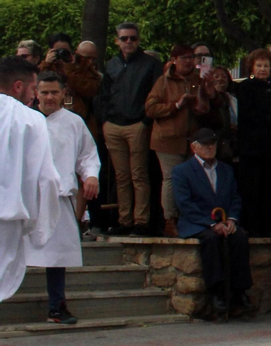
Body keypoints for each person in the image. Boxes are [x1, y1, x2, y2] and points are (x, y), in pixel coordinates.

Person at [31, 72, 99, 323]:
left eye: (54, 92)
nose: (49, 97)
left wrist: (91, 176)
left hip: (58, 197)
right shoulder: (24, 119)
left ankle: (56, 306)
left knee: (57, 255)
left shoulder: (73, 122)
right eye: (44, 92)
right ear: (36, 93)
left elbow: (87, 155)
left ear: (63, 94)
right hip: (27, 198)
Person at [171, 127, 252, 320]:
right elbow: (185, 204)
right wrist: (210, 223)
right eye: (205, 144)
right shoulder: (181, 171)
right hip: (197, 222)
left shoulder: (226, 170)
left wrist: (231, 219)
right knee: (211, 240)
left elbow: (235, 198)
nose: (210, 148)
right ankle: (216, 291)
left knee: (240, 237)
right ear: (194, 147)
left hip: (223, 219)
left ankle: (239, 290)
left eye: (212, 144)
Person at [0, 57, 59, 304]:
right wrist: (40, 229)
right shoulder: (31, 119)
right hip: (8, 218)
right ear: (18, 86)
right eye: (34, 88)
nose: (36, 96)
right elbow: (47, 178)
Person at [95, 22, 162, 236]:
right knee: (121, 176)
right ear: (117, 41)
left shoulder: (151, 64)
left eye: (133, 38)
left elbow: (156, 94)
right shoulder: (112, 64)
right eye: (124, 38)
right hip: (114, 125)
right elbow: (104, 94)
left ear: (139, 40)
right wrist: (105, 120)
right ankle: (124, 220)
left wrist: (145, 121)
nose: (129, 42)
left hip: (137, 124)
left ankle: (141, 221)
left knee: (139, 175)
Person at [144, 44, 211, 237]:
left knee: (193, 179)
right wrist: (176, 105)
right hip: (168, 139)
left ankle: (191, 218)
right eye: (183, 58)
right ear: (174, 60)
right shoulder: (163, 81)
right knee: (171, 179)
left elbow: (207, 107)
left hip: (192, 139)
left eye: (191, 57)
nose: (188, 61)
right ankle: (170, 220)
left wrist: (204, 98)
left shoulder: (198, 80)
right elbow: (150, 109)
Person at [234, 48, 271, 237]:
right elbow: (248, 115)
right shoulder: (245, 87)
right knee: (251, 188)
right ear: (252, 67)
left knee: (267, 188)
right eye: (259, 65)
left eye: (266, 66)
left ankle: (266, 227)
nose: (263, 69)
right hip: (251, 147)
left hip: (270, 147)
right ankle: (251, 226)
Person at [40, 35, 100, 125]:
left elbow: (91, 89)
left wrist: (69, 69)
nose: (62, 53)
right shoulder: (48, 67)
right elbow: (38, 86)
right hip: (51, 117)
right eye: (58, 51)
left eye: (65, 51)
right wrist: (46, 64)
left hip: (79, 117)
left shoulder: (83, 66)